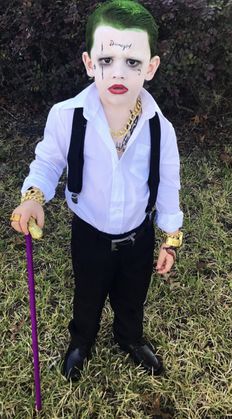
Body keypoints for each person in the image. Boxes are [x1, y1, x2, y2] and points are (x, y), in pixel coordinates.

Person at [10, 0, 183, 381]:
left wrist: (170, 238)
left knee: (132, 296)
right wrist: (34, 195)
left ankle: (130, 338)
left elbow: (169, 183)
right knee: (87, 294)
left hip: (138, 234)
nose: (118, 72)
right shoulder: (66, 116)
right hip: (88, 232)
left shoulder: (160, 128)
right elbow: (48, 161)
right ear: (89, 63)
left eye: (132, 62)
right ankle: (81, 341)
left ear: (151, 67)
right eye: (106, 60)